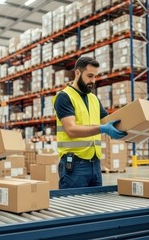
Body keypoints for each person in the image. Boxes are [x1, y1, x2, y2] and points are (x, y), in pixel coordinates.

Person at [54, 57, 127, 189]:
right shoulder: (64, 97)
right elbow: (71, 130)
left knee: (95, 207)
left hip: (95, 164)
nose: (93, 81)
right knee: (74, 207)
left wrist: (134, 126)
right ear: (77, 73)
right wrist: (102, 129)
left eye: (95, 77)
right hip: (74, 165)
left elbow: (110, 121)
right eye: (90, 76)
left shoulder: (93, 99)